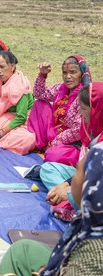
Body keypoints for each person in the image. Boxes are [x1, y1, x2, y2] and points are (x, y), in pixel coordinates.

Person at [0, 112, 103, 276]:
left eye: (79, 170)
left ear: (92, 184)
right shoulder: (89, 220)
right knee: (23, 249)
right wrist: (48, 271)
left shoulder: (92, 255)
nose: (72, 179)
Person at [39, 83, 102, 222]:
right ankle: (67, 200)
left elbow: (94, 177)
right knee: (47, 169)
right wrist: (65, 185)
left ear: (96, 110)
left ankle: (71, 204)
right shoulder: (90, 128)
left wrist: (69, 192)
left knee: (76, 196)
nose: (80, 113)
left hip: (97, 186)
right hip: (86, 177)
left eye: (84, 109)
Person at [28, 55, 90, 166]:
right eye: (65, 73)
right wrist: (43, 75)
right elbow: (39, 94)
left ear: (82, 74)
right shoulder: (60, 88)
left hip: (72, 143)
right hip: (55, 132)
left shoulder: (85, 96)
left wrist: (57, 141)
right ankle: (41, 145)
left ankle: (50, 150)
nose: (68, 77)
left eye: (73, 72)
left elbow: (78, 130)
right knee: (40, 104)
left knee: (53, 156)